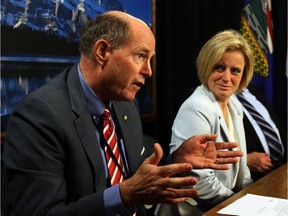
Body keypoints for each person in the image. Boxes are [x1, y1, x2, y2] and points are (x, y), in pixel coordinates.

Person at [3, 11, 243, 216]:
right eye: (140, 56)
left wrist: (175, 160)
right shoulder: (39, 115)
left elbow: (137, 176)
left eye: (151, 60)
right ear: (102, 52)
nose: (148, 71)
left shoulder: (124, 103)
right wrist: (123, 195)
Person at [170, 29, 254, 212]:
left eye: (235, 71)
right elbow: (199, 182)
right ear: (207, 66)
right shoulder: (197, 107)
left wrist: (251, 195)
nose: (226, 77)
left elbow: (242, 167)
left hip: (228, 202)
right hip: (197, 210)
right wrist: (240, 205)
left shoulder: (234, 106)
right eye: (219, 67)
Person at [235, 85, 287, 181]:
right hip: (254, 180)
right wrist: (245, 160)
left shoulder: (253, 90)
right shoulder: (214, 98)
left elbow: (275, 126)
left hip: (283, 169)